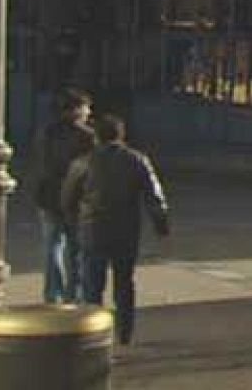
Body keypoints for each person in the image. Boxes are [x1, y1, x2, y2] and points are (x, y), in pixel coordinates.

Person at [62, 114, 170, 345]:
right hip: (125, 230)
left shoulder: (83, 162)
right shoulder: (137, 160)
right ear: (121, 135)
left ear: (96, 136)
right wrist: (161, 223)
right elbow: (154, 195)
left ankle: (93, 332)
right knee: (124, 282)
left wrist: (74, 222)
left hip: (92, 230)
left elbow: (68, 198)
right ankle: (125, 331)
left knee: (92, 284)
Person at [33, 88, 94, 303]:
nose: (89, 112)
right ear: (76, 110)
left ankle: (53, 295)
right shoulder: (87, 137)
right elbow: (89, 171)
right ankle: (74, 294)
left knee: (52, 247)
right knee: (76, 250)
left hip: (48, 197)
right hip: (76, 200)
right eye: (86, 108)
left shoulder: (47, 132)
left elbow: (42, 164)